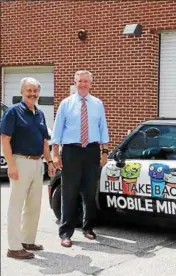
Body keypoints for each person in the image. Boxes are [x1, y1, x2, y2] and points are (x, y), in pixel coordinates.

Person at [51, 70, 109, 248]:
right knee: (69, 192)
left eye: (86, 81)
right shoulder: (66, 104)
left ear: (91, 83)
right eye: (80, 81)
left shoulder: (98, 104)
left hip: (91, 151)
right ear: (74, 83)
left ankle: (88, 228)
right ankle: (66, 233)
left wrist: (104, 151)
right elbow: (57, 129)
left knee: (89, 192)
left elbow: (103, 127)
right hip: (71, 151)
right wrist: (55, 153)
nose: (83, 84)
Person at [1, 77, 56, 259]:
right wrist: (11, 165)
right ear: (22, 92)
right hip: (20, 161)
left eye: (35, 91)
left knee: (34, 205)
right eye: (29, 91)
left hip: (37, 163)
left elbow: (44, 141)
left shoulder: (39, 114)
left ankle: (27, 240)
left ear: (39, 93)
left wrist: (49, 162)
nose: (32, 94)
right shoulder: (13, 112)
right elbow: (5, 140)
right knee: (16, 205)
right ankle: (14, 247)